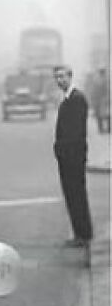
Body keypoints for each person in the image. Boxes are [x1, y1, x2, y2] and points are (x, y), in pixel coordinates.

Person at [53, 65, 93, 246]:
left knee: (77, 195)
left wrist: (65, 152)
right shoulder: (68, 100)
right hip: (67, 157)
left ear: (70, 77)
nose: (60, 80)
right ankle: (80, 233)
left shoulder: (76, 100)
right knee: (72, 195)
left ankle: (83, 235)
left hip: (73, 157)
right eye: (57, 77)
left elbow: (75, 132)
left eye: (63, 77)